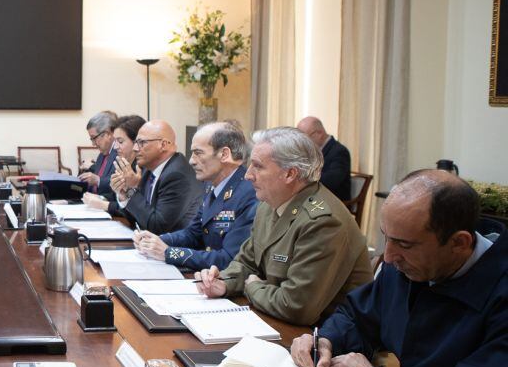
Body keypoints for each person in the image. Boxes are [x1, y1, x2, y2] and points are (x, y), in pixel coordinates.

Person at [290, 171, 507, 367]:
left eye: (404, 244)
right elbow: (358, 315)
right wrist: (326, 340)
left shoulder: (498, 296)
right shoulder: (411, 265)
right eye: (386, 238)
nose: (388, 257)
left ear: (460, 243)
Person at [195, 126, 371, 326]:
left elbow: (296, 306)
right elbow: (247, 262)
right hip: (277, 321)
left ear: (290, 174)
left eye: (258, 166)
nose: (247, 175)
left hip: (326, 341)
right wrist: (223, 283)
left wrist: (252, 287)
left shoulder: (322, 222)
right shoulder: (269, 205)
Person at [134, 121, 257, 271]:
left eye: (198, 153)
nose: (191, 161)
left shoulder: (249, 193)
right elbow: (194, 232)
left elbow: (230, 259)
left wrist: (169, 253)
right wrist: (156, 240)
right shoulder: (211, 184)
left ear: (224, 154)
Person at [117, 119, 200, 234]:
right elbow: (137, 220)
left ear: (163, 145)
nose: (135, 148)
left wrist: (131, 191)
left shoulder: (177, 176)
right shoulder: (148, 169)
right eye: (136, 142)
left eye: (141, 142)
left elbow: (157, 227)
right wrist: (124, 194)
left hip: (174, 247)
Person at [82, 114, 145, 215]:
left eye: (120, 141)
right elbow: (116, 194)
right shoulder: (120, 159)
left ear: (136, 142)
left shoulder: (143, 168)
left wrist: (104, 204)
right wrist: (102, 198)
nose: (115, 147)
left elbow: (138, 210)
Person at [296, 116, 351, 201]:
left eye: (304, 138)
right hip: (314, 196)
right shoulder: (312, 150)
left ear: (319, 133)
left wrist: (303, 177)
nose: (302, 142)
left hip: (333, 201)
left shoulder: (339, 151)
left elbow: (331, 181)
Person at [78, 111, 118, 198]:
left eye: (94, 138)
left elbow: (120, 184)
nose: (93, 144)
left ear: (107, 134)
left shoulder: (121, 153)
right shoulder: (102, 154)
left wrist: (98, 180)